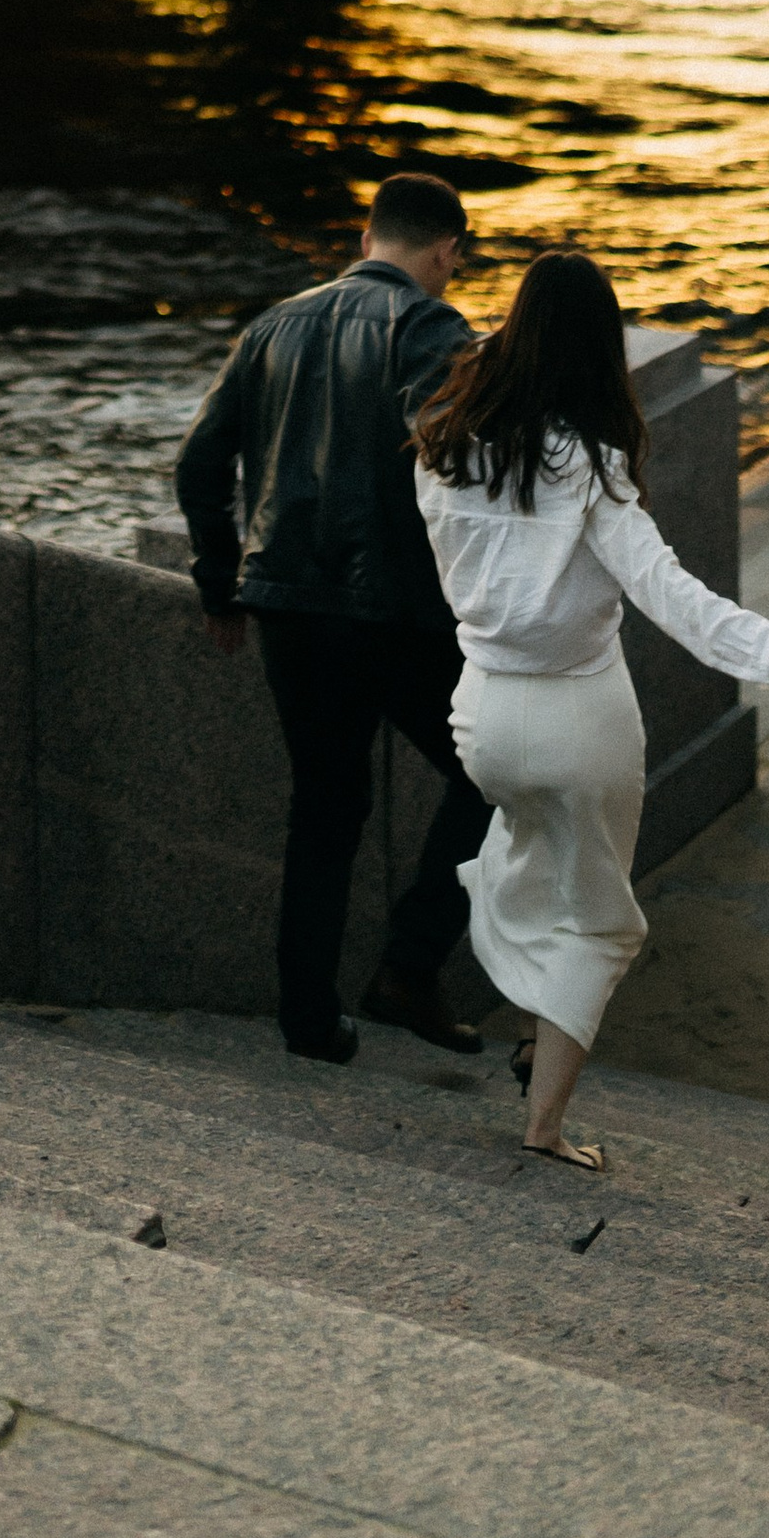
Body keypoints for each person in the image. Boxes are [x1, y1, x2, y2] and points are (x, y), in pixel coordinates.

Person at [410, 245, 769, 1171]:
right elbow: (666, 589)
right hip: (579, 720)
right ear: (598, 350)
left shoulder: (443, 446)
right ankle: (546, 1127)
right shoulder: (589, 467)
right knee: (603, 920)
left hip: (481, 717)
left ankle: (536, 1033)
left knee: (530, 867)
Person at [174, 170, 495, 1066]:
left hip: (285, 608)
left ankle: (309, 1022)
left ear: (366, 240)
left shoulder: (272, 325)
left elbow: (200, 465)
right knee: (496, 774)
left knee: (323, 808)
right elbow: (449, 450)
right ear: (446, 251)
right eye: (453, 263)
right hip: (395, 610)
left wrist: (219, 582)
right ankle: (409, 965)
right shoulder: (432, 325)